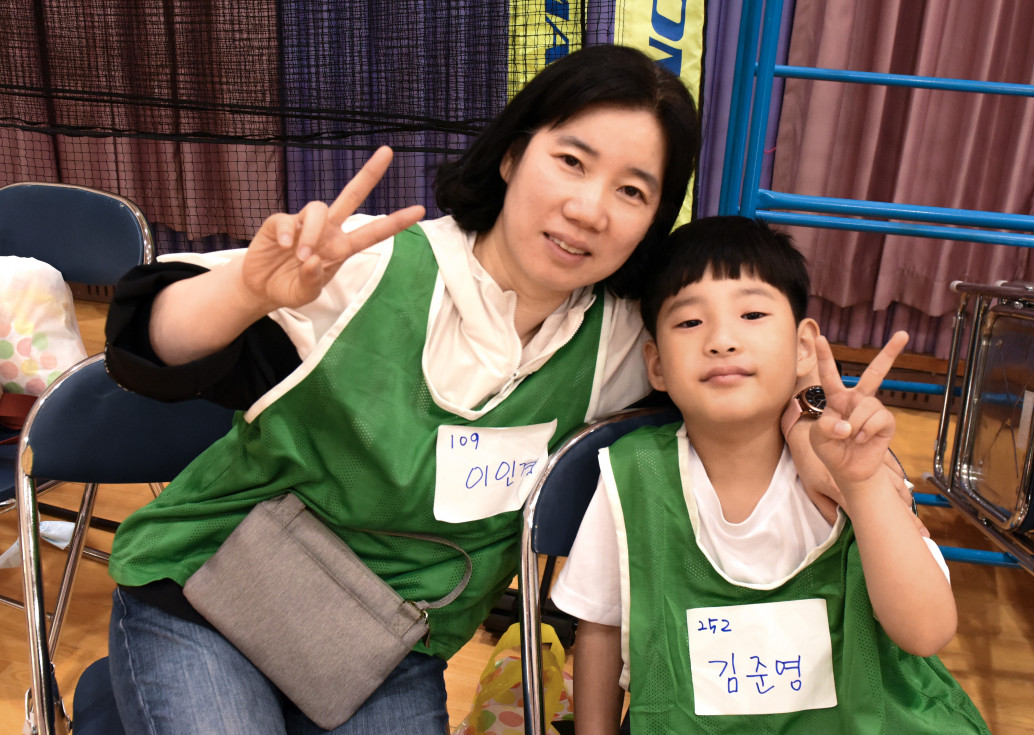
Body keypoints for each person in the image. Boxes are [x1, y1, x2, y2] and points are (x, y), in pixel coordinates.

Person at [101, 43, 706, 735]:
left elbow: (736, 386)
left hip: (384, 646)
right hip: (207, 590)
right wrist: (247, 292)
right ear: (513, 156)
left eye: (632, 191)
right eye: (572, 160)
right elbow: (146, 345)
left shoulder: (624, 342)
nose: (589, 208)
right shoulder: (369, 262)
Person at [552, 216, 989, 734]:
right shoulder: (632, 475)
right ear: (657, 365)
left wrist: (863, 484)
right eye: (689, 322)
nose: (721, 340)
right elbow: (601, 629)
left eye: (753, 314)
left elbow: (926, 633)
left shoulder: (845, 465)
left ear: (803, 347)